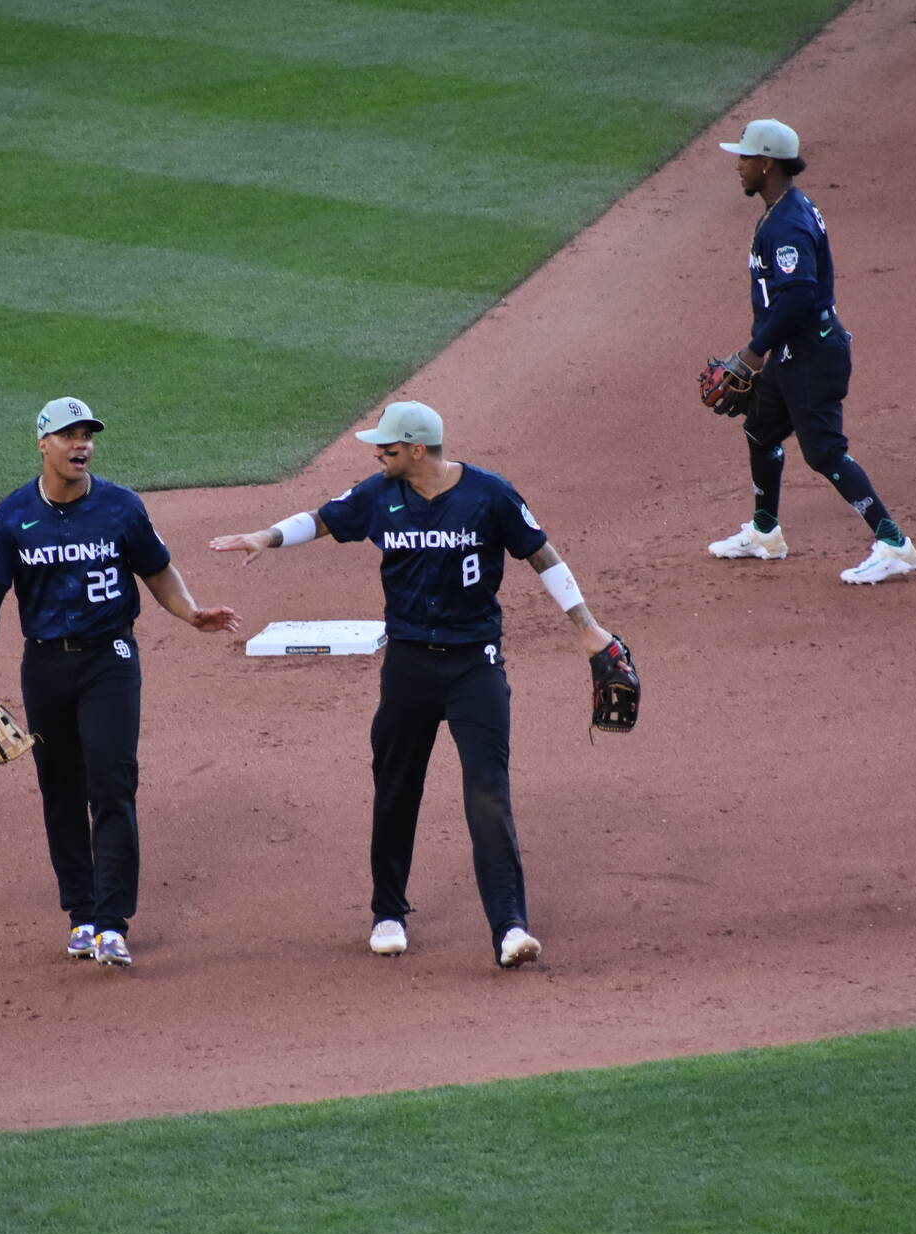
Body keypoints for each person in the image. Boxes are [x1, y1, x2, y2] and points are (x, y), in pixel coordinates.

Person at [209, 400, 622, 970]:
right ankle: (388, 913)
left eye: (388, 447)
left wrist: (587, 628)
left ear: (417, 450)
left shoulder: (490, 495)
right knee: (396, 788)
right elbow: (323, 519)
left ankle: (509, 927)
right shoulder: (379, 494)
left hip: (475, 666)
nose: (378, 454)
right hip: (407, 666)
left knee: (488, 793)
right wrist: (266, 535)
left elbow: (541, 555)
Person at [0, 398, 240, 968]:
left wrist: (191, 613)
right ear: (43, 444)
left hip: (110, 659)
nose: (81, 445)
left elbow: (156, 570)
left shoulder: (121, 507)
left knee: (111, 783)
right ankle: (82, 914)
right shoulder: (13, 516)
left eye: (87, 435)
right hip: (45, 666)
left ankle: (113, 924)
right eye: (69, 435)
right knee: (60, 790)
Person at [705, 118, 916, 586]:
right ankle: (765, 532)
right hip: (790, 353)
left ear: (767, 164)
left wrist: (752, 352)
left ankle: (894, 544)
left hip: (811, 355)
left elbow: (799, 297)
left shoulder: (789, 224)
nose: (738, 165)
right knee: (761, 430)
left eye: (745, 158)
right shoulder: (781, 209)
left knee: (824, 453)